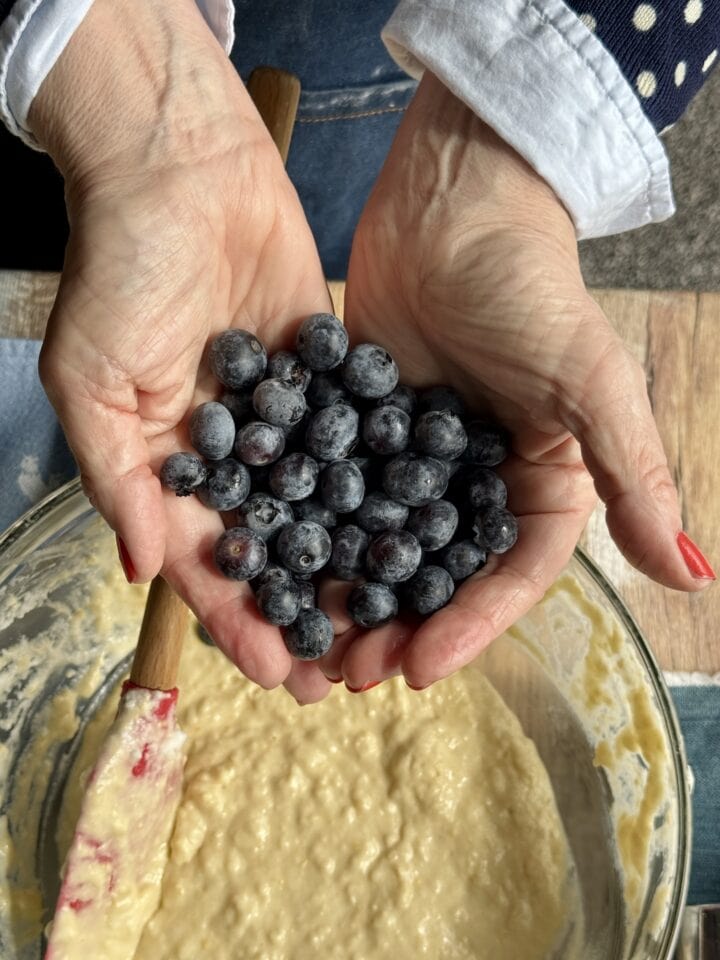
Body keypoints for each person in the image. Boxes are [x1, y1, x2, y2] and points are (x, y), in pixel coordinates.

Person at [0, 0, 716, 706]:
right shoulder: (297, 453)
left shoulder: (369, 480)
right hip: (74, 83)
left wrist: (496, 149)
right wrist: (119, 95)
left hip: (399, 57)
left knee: (339, 182)